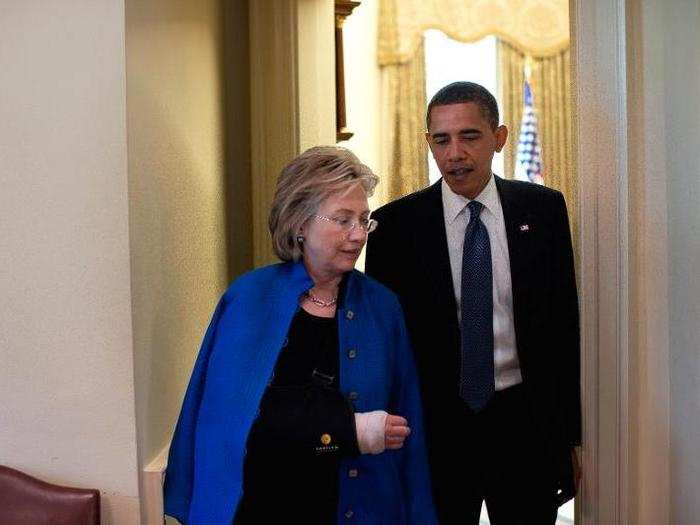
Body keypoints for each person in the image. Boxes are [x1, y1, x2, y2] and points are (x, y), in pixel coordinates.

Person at [164, 146, 437, 525]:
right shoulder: (248, 298)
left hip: (359, 508)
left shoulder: (382, 306)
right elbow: (220, 415)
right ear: (300, 223)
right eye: (343, 220)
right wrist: (345, 429)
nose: (358, 235)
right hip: (261, 508)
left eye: (364, 220)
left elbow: (410, 428)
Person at [365, 82, 581, 525]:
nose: (454, 153)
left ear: (499, 138)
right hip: (437, 428)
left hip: (524, 423)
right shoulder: (394, 227)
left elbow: (563, 329)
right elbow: (384, 345)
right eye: (441, 140)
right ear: (428, 143)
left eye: (469, 136)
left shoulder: (543, 211)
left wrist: (570, 437)